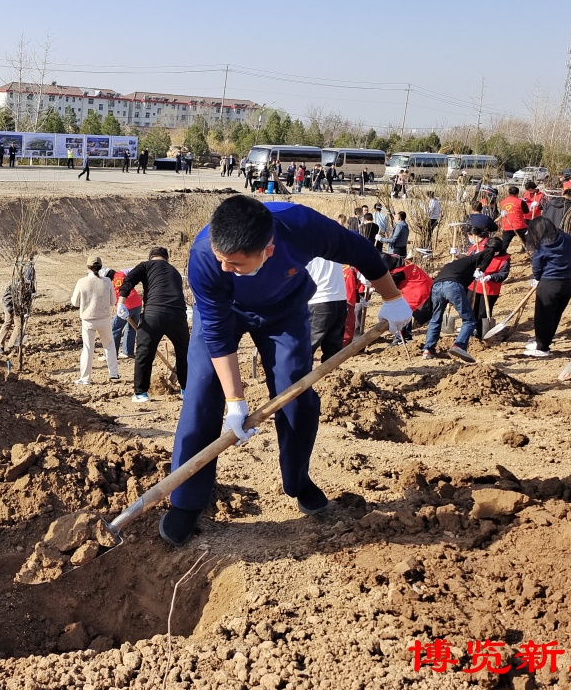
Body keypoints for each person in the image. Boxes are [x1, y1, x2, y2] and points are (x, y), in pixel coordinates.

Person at [161, 195, 408, 546]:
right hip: (223, 314)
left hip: (284, 310)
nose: (225, 267)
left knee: (295, 393)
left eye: (235, 264)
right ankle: (186, 500)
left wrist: (394, 298)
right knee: (202, 394)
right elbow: (216, 335)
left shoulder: (301, 226)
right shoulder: (205, 257)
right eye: (222, 260)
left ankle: (297, 479)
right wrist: (235, 401)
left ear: (268, 250)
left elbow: (360, 252)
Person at [421, 217, 503, 363]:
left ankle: (428, 349)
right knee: (469, 320)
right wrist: (482, 270)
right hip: (452, 285)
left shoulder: (464, 260)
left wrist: (476, 268)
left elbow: (475, 259)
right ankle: (459, 345)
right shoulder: (488, 252)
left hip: (437, 285)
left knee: (435, 319)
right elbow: (488, 253)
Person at [117, 246, 188, 404]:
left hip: (153, 314)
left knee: (144, 353)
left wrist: (121, 303)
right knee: (184, 352)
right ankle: (186, 390)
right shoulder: (174, 271)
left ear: (151, 258)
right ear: (166, 259)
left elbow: (128, 281)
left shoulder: (145, 266)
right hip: (178, 315)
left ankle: (141, 393)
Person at [524, 216, 571, 358]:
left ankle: (542, 348)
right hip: (566, 284)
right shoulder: (567, 238)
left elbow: (537, 267)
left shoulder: (541, 246)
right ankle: (543, 341)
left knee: (543, 316)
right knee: (555, 316)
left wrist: (536, 278)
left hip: (548, 284)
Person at [71, 255, 120, 385]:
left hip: (88, 320)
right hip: (104, 318)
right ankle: (114, 374)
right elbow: (113, 301)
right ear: (100, 267)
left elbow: (74, 302)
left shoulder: (81, 282)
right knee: (109, 345)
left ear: (88, 267)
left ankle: (85, 378)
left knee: (87, 348)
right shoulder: (107, 281)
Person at [466, 216, 509, 322]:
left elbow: (503, 274)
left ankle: (481, 332)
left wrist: (490, 277)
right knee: (471, 309)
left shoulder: (504, 260)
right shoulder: (481, 251)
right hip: (474, 286)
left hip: (490, 289)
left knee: (483, 313)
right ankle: (470, 328)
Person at [306, 257, 348, 363]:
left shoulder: (305, 251)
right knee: (333, 345)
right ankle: (331, 373)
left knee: (307, 345)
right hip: (340, 298)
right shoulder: (332, 246)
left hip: (319, 300)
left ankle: (299, 377)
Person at [0, 267, 32, 354]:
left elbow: (29, 297)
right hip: (9, 304)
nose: (27, 283)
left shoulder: (30, 284)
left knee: (19, 325)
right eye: (26, 281)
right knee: (8, 322)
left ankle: (12, 345)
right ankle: (0, 346)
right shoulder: (16, 285)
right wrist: (13, 311)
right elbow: (13, 299)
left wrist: (27, 310)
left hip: (19, 306)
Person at [110, 266, 143, 358]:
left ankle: (112, 354)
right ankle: (128, 352)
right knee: (131, 328)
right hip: (137, 304)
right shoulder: (122, 273)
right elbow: (135, 268)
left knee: (114, 328)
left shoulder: (108, 283)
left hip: (125, 307)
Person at [499, 186, 530, 250]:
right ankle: (528, 249)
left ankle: (502, 254)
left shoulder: (502, 202)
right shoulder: (520, 201)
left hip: (507, 225)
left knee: (504, 244)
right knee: (528, 238)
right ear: (517, 193)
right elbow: (526, 211)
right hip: (519, 225)